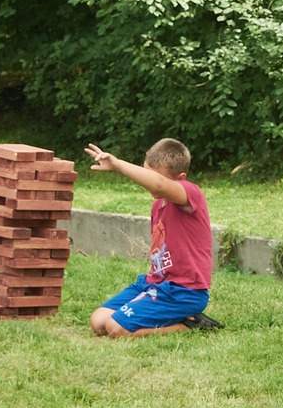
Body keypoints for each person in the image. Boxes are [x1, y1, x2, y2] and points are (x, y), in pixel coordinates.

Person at [86, 138, 219, 337]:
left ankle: (191, 324)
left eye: (151, 175)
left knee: (116, 328)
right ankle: (171, 314)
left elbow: (158, 185)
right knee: (98, 322)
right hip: (154, 284)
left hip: (183, 292)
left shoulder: (191, 194)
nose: (146, 180)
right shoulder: (157, 205)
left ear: (180, 177)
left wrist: (118, 165)